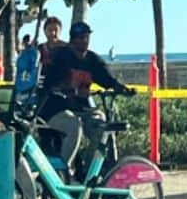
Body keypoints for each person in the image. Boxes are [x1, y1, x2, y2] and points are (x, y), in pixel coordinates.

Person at [40, 21, 134, 172]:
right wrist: (65, 89)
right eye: (79, 38)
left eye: (86, 37)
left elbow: (107, 79)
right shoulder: (61, 57)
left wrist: (123, 89)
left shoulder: (92, 60)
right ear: (72, 39)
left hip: (83, 110)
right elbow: (49, 82)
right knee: (73, 125)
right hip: (57, 109)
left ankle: (89, 172)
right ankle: (62, 172)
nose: (83, 41)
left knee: (101, 126)